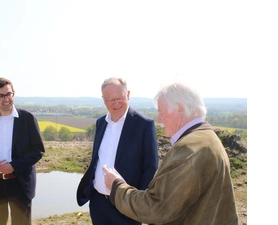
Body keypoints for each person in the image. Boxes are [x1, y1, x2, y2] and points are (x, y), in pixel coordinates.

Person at [102, 81, 239, 225]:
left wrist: (116, 186)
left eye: (162, 112)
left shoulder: (189, 152)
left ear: (179, 109)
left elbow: (156, 208)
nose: (159, 119)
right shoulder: (206, 138)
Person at [76, 77, 159, 225]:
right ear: (103, 100)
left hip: (126, 205)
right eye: (110, 99)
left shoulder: (144, 124)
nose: (116, 103)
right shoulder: (100, 122)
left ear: (127, 94)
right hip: (98, 202)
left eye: (119, 98)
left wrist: (137, 202)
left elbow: (150, 167)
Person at [0, 77, 45, 225]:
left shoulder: (27, 118)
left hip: (20, 183)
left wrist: (14, 165)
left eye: (9, 94)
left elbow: (38, 150)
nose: (6, 99)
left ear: (13, 94)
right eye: (0, 96)